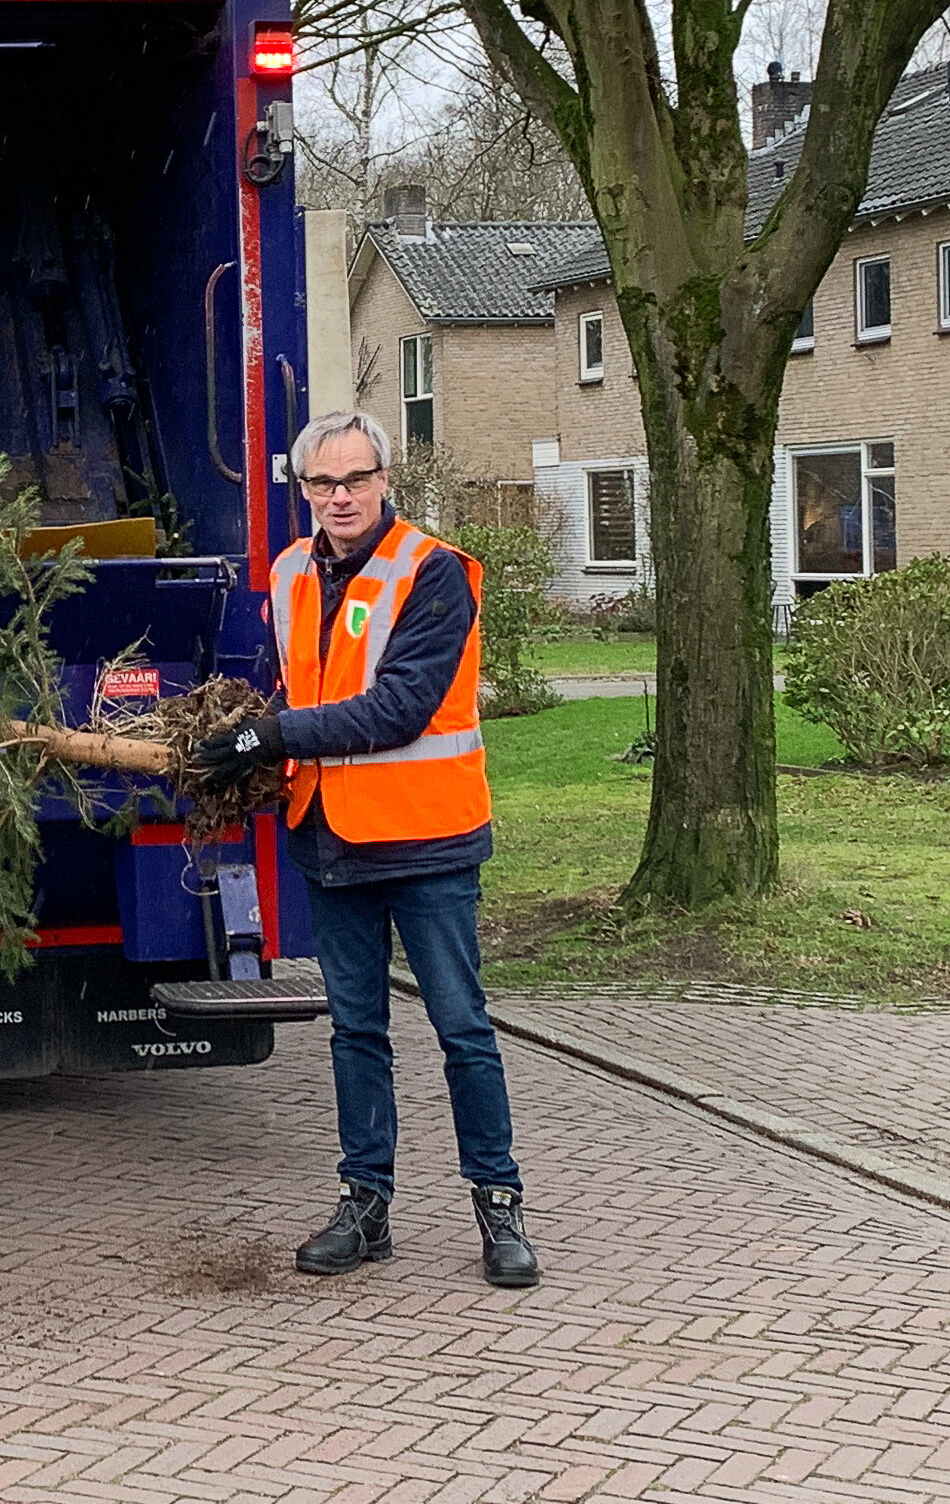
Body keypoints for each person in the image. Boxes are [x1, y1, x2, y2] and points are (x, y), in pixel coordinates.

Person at [189, 409, 541, 1289]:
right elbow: (292, 687)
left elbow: (399, 709)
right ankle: (363, 1207)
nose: (339, 497)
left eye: (354, 480)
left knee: (462, 1030)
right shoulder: (290, 573)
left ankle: (498, 1208)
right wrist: (245, 736)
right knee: (355, 1033)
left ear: (386, 480)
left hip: (427, 841)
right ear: (301, 490)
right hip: (328, 840)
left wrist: (263, 737)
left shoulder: (434, 573)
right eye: (321, 484)